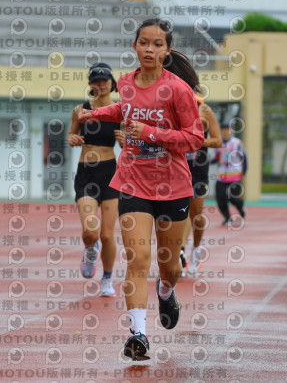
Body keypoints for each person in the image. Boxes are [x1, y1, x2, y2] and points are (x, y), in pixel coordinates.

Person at [78, 18, 204, 361]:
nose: (150, 49)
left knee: (168, 266)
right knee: (138, 259)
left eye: (157, 44)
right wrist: (96, 114)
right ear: (135, 46)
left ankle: (166, 291)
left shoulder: (178, 89)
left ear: (167, 50)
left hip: (173, 186)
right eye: (144, 42)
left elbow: (194, 138)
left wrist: (150, 133)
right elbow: (125, 109)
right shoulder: (125, 83)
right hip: (133, 181)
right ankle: (138, 335)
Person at [68, 62, 124, 297]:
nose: (100, 84)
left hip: (110, 174)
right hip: (86, 173)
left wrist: (125, 141)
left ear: (112, 84)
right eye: (96, 81)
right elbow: (72, 134)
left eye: (104, 80)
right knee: (91, 232)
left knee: (107, 235)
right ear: (90, 84)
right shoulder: (80, 110)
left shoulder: (121, 111)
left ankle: (107, 278)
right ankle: (90, 250)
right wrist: (72, 139)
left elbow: (130, 146)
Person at [181, 97, 221, 275]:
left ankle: (196, 248)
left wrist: (196, 141)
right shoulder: (170, 107)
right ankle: (180, 252)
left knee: (195, 214)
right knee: (179, 212)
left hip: (198, 169)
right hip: (177, 168)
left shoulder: (204, 110)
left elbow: (217, 141)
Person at [212, 122, 247, 225]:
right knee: (220, 197)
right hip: (222, 176)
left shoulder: (237, 143)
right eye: (224, 129)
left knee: (233, 197)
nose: (226, 131)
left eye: (228, 129)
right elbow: (217, 158)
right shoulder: (219, 143)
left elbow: (244, 157)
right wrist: (206, 161)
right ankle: (227, 218)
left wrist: (244, 171)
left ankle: (241, 208)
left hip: (235, 175)